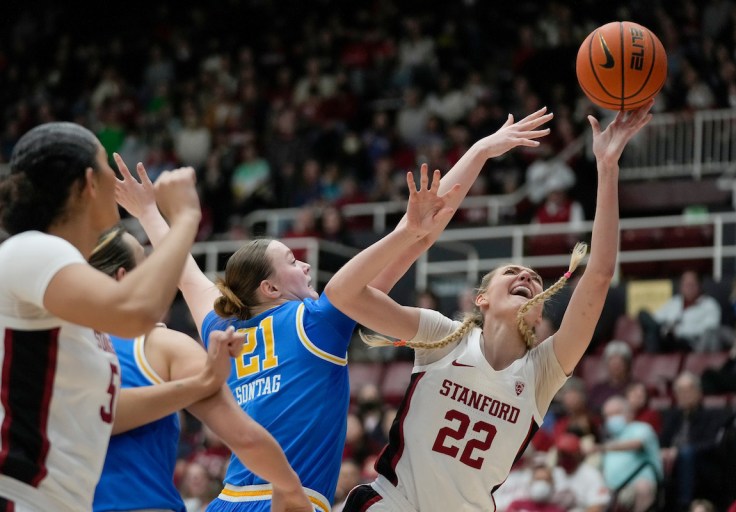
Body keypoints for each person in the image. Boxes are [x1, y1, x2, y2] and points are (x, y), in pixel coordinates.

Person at [112, 108, 554, 512]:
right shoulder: (318, 322)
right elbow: (419, 230)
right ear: (269, 287)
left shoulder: (222, 326)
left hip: (227, 502)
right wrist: (478, 152)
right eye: (291, 260)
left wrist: (149, 211)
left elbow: (182, 268)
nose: (305, 263)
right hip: (289, 502)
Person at [323, 103, 654, 511]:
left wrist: (607, 166)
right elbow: (346, 295)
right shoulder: (441, 336)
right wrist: (479, 150)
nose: (526, 278)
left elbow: (599, 274)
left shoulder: (542, 372)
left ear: (540, 310)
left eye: (534, 278)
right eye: (512, 272)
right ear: (481, 299)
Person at [0, 122, 202, 511]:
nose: (115, 179)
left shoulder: (62, 289)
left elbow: (102, 412)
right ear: (88, 182)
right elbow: (136, 312)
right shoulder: (35, 249)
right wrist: (185, 219)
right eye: (107, 167)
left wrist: (197, 385)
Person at [88, 226, 311, 512]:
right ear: (123, 278)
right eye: (147, 263)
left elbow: (98, 415)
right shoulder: (163, 346)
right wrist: (289, 486)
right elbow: (245, 438)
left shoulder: (56, 347)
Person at [659, 372, 729, 512]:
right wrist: (663, 451)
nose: (684, 394)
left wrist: (679, 452)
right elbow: (662, 441)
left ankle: (684, 505)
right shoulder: (672, 416)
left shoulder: (712, 415)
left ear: (699, 392)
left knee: (686, 453)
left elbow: (713, 444)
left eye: (689, 390)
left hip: (702, 464)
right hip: (671, 464)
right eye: (680, 391)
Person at [593, 396, 662, 512]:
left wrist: (601, 448)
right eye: (608, 415)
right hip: (612, 491)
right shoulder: (611, 439)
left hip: (637, 487)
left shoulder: (641, 428)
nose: (612, 419)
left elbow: (637, 444)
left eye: (616, 413)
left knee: (642, 487)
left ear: (629, 413)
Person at [638, 270, 722, 353]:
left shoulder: (709, 305)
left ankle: (652, 353)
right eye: (686, 285)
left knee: (656, 334)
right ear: (681, 287)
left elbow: (711, 329)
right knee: (643, 315)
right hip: (665, 337)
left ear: (699, 286)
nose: (689, 288)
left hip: (690, 343)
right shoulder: (674, 302)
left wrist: (679, 332)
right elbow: (656, 319)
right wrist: (663, 328)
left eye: (691, 285)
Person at [551, 433, 611, 512]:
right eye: (561, 454)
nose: (564, 458)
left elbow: (597, 507)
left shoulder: (592, 474)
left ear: (578, 454)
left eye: (567, 455)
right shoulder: (555, 472)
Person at [587, 340, 634, 414]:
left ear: (627, 365)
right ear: (606, 365)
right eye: (613, 363)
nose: (616, 367)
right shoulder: (598, 389)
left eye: (619, 364)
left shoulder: (634, 388)